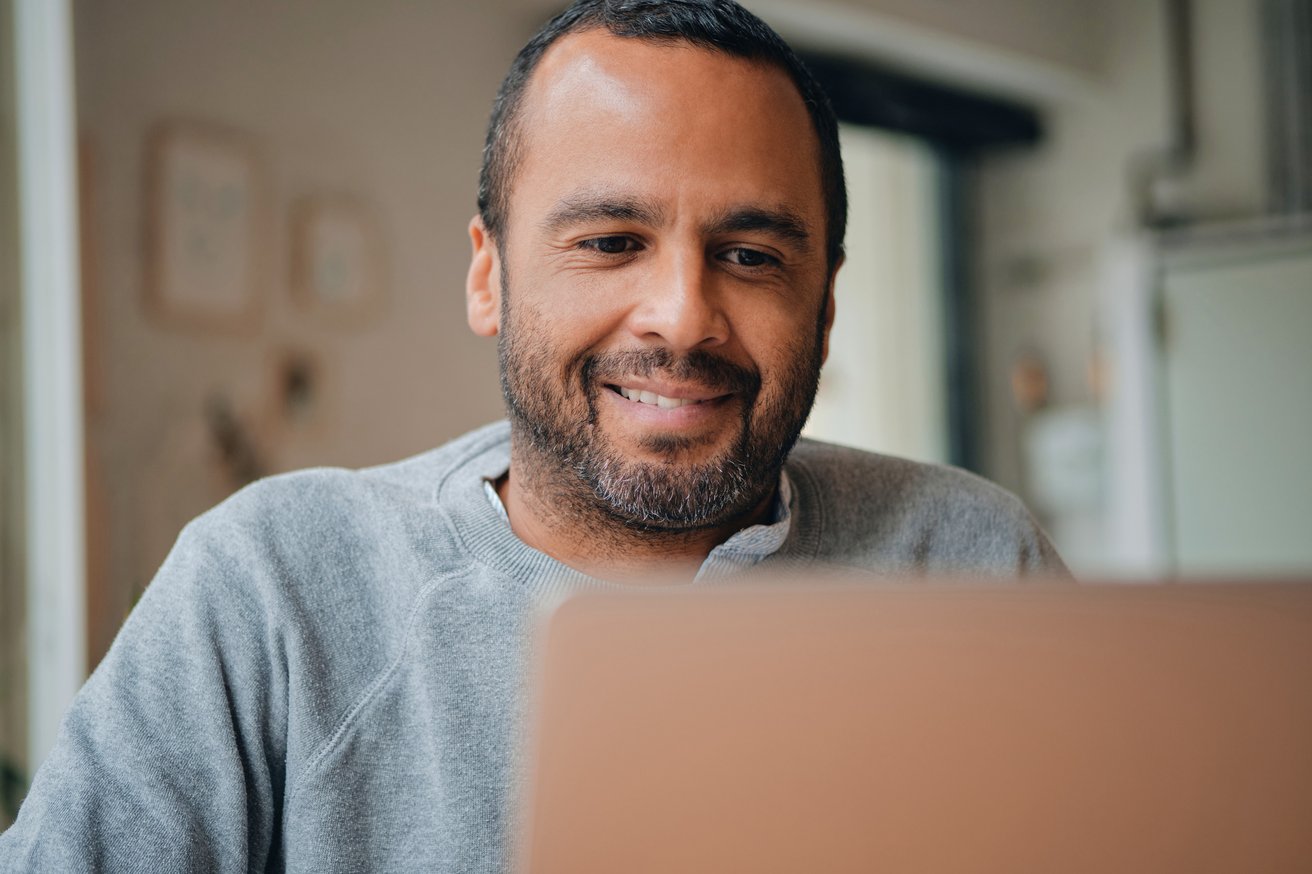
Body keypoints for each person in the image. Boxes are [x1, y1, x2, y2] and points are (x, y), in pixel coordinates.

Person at [0, 0, 1066, 870]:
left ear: (825, 305)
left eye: (749, 254)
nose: (681, 316)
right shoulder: (271, 588)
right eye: (610, 241)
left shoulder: (973, 562)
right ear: (488, 274)